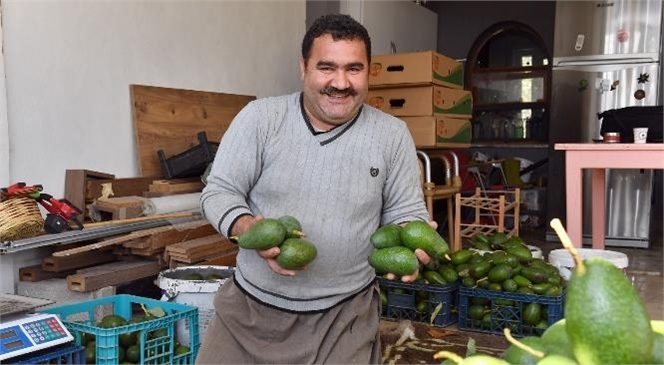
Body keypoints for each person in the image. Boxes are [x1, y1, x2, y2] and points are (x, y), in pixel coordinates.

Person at [196, 13, 432, 364]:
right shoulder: (261, 118)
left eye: (354, 68)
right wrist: (248, 228)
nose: (340, 82)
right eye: (326, 67)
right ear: (303, 67)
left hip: (344, 319)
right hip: (250, 312)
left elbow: (404, 210)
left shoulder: (391, 134)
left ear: (369, 72)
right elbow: (219, 191)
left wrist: (412, 236)